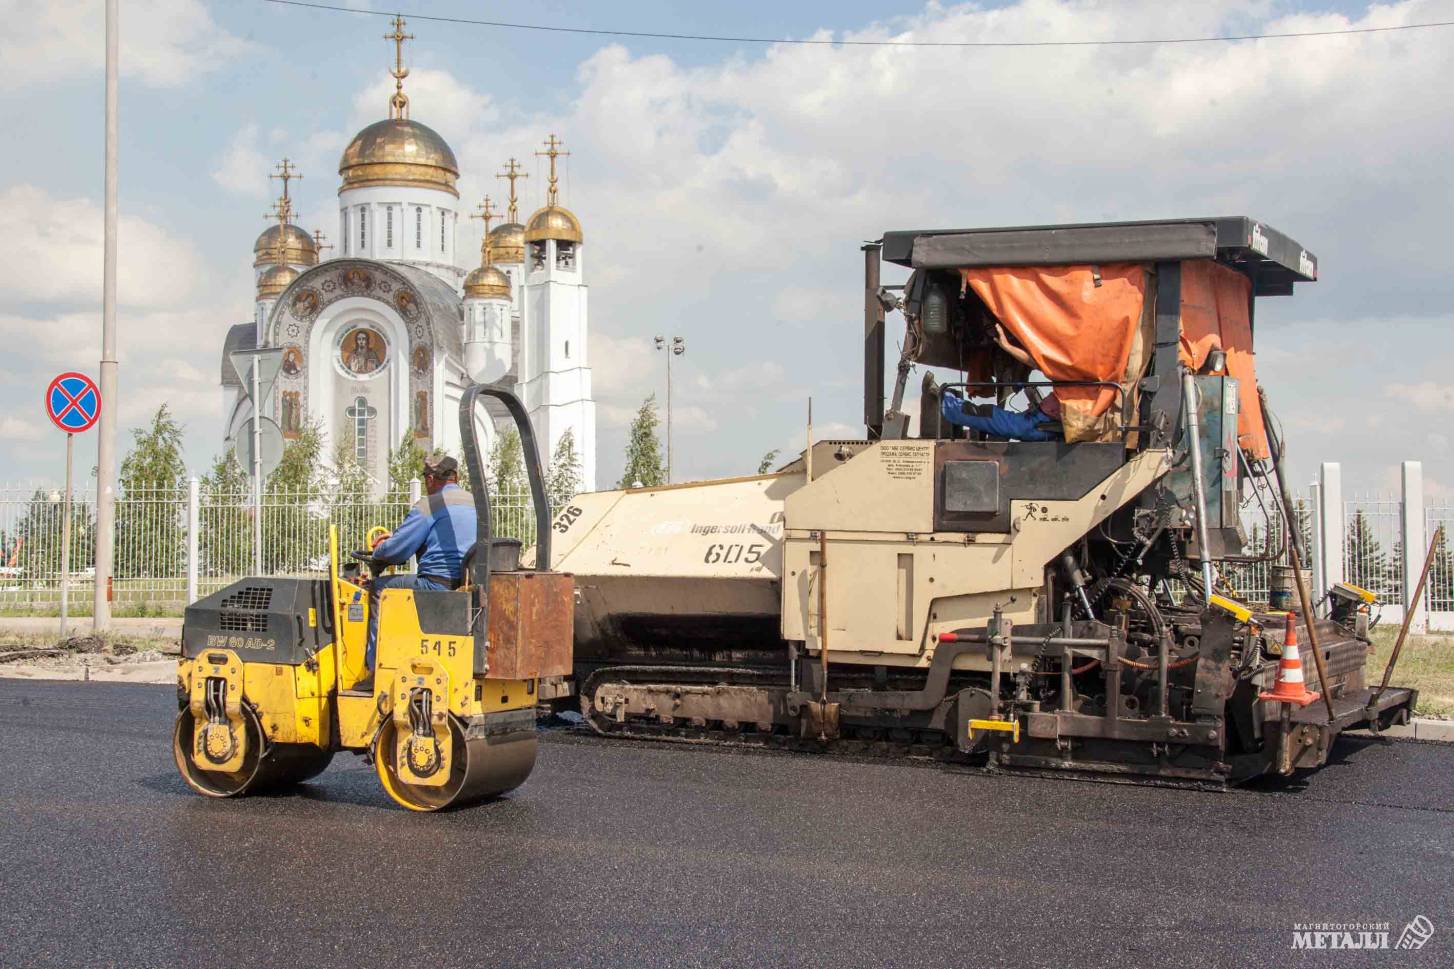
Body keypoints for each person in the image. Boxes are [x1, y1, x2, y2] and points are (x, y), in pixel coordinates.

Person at [363, 451, 476, 672]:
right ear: (457, 477)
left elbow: (397, 551)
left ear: (430, 479)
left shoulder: (430, 505)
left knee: (378, 589)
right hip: (467, 586)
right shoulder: (475, 503)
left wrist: (379, 551)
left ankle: (374, 668)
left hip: (436, 585)